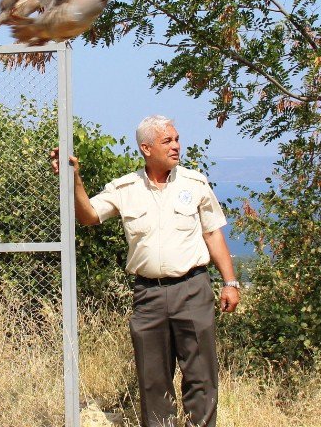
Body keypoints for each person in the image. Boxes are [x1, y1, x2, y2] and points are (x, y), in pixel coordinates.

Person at [50, 115, 240, 427]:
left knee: (201, 377)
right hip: (148, 295)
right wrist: (75, 181)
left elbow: (213, 234)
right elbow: (89, 216)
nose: (177, 146)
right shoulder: (125, 188)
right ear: (146, 148)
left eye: (177, 139)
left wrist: (230, 281)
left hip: (193, 289)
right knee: (153, 381)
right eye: (168, 141)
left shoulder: (195, 183)